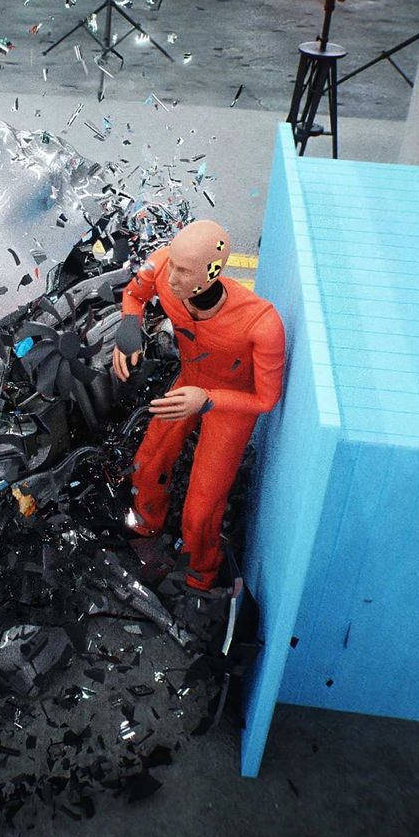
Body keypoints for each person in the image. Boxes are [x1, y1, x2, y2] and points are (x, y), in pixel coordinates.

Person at [111, 219, 287, 603]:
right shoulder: (160, 268)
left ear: (212, 271)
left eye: (184, 270)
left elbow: (266, 399)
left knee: (201, 510)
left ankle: (200, 579)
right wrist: (128, 329)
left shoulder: (262, 323)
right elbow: (134, 294)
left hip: (230, 407)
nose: (171, 276)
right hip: (188, 381)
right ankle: (145, 528)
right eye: (172, 262)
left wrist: (207, 399)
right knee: (146, 464)